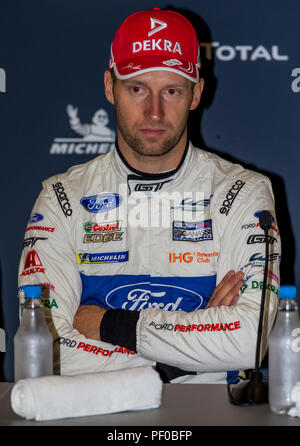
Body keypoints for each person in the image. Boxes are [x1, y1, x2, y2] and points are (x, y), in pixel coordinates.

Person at [18, 7, 280, 383]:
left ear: (196, 93)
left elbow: (248, 341)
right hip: (95, 417)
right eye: (137, 88)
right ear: (110, 87)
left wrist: (108, 324)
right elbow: (46, 351)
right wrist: (194, 347)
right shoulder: (62, 199)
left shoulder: (240, 193)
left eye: (171, 90)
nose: (154, 112)